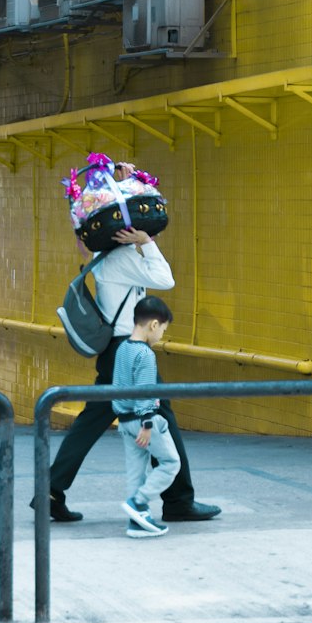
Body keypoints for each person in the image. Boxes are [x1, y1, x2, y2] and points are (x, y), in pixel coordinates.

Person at [43, 165, 220, 524]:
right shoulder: (123, 258)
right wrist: (147, 242)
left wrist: (123, 176)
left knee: (96, 419)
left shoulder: (103, 256)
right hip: (130, 350)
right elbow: (165, 279)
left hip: (116, 351)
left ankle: (51, 491)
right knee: (157, 415)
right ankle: (178, 500)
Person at [112, 295, 180, 539]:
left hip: (124, 421)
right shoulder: (146, 355)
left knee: (136, 473)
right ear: (153, 325)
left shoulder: (122, 349)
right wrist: (148, 423)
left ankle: (136, 524)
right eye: (163, 329)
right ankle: (139, 502)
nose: (162, 334)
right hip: (144, 423)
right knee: (171, 463)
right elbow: (145, 391)